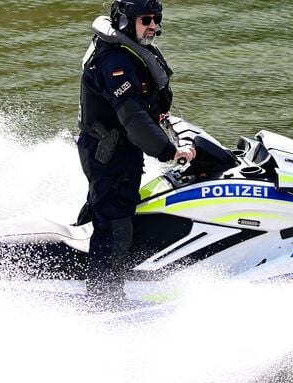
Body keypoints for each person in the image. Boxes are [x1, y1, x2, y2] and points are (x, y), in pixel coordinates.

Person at [76, 0, 195, 308]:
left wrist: (170, 123)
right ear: (126, 21)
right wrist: (169, 151)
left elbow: (148, 106)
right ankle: (104, 300)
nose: (154, 25)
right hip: (109, 152)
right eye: (146, 20)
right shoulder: (114, 61)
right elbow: (132, 117)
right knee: (115, 223)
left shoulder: (129, 50)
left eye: (157, 19)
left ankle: (106, 279)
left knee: (116, 209)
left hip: (120, 150)